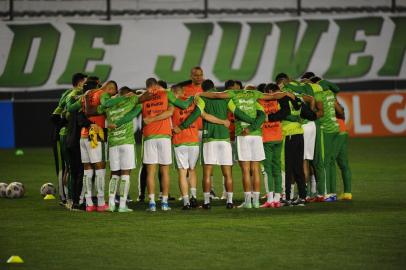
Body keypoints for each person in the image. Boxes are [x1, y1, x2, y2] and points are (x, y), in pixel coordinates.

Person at [196, 83, 294, 208]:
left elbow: (216, 95)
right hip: (257, 135)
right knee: (256, 169)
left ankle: (248, 202)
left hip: (242, 134)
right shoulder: (254, 94)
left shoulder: (233, 94)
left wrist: (200, 94)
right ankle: (256, 201)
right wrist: (285, 93)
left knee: (246, 170)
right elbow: (272, 96)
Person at [179, 80, 235, 209]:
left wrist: (182, 126)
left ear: (203, 89)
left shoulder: (203, 98)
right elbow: (237, 112)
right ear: (214, 87)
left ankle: (206, 202)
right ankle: (230, 202)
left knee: (207, 173)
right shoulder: (226, 98)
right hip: (224, 139)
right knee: (227, 174)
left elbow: (195, 115)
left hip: (209, 139)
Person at [142, 78, 193, 212]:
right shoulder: (166, 93)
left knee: (150, 172)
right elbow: (182, 106)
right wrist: (193, 98)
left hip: (149, 136)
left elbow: (133, 112)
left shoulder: (143, 97)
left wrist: (150, 119)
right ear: (157, 85)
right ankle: (164, 202)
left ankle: (152, 203)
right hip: (164, 136)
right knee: (165, 171)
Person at [99, 86, 150, 212]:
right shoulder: (131, 102)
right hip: (126, 143)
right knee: (125, 174)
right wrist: (138, 94)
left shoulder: (109, 105)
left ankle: (111, 204)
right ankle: (122, 205)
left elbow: (101, 107)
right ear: (129, 94)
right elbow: (145, 98)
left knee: (114, 174)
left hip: (113, 143)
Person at [311, 76, 342, 202]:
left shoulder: (319, 95)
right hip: (335, 128)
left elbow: (319, 111)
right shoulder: (330, 93)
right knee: (330, 162)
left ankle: (323, 194)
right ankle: (332, 193)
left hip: (325, 129)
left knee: (322, 163)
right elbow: (340, 110)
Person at [63, 73, 88, 211]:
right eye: (84, 83)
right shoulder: (77, 96)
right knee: (79, 171)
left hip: (70, 138)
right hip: (76, 139)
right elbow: (76, 116)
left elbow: (65, 114)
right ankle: (76, 201)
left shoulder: (71, 96)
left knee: (73, 171)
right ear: (79, 84)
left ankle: (70, 200)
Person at [259, 83, 285, 208]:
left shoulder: (259, 101)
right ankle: (277, 198)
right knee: (277, 167)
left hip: (266, 139)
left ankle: (270, 199)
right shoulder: (278, 101)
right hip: (278, 137)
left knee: (268, 169)